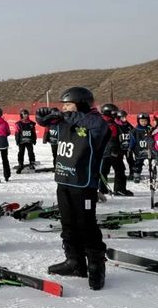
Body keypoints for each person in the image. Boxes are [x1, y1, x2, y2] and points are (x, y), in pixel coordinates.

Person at [36, 86, 109, 290]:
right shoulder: (65, 120)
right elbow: (47, 123)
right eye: (64, 106)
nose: (64, 108)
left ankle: (96, 266)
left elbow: (97, 125)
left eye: (68, 104)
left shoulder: (96, 123)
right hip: (64, 180)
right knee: (68, 224)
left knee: (86, 226)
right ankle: (74, 261)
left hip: (83, 184)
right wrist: (42, 118)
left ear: (81, 104)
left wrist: (66, 116)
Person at [99, 104, 132, 196]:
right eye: (114, 113)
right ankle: (119, 189)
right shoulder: (111, 124)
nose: (115, 115)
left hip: (103, 151)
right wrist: (115, 149)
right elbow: (112, 137)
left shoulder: (101, 121)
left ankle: (102, 189)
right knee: (120, 170)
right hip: (112, 151)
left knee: (103, 171)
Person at [128, 113, 151, 183]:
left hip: (149, 150)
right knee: (138, 163)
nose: (144, 123)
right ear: (138, 121)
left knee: (152, 162)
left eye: (145, 121)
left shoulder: (150, 129)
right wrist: (130, 148)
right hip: (139, 150)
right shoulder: (135, 131)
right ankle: (137, 175)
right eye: (142, 121)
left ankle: (153, 174)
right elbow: (132, 141)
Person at [14, 109, 37, 173]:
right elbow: (17, 133)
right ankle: (20, 164)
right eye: (24, 114)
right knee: (21, 152)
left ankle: (32, 163)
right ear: (21, 115)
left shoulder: (32, 124)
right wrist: (17, 140)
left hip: (29, 141)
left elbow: (33, 132)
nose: (25, 115)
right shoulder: (18, 124)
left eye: (26, 114)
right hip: (22, 141)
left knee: (31, 152)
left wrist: (34, 139)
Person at [116, 110, 135, 180]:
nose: (124, 118)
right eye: (122, 117)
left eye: (125, 117)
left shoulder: (128, 125)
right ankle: (121, 174)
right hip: (120, 147)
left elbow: (133, 132)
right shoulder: (116, 125)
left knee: (130, 160)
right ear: (118, 117)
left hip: (128, 147)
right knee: (119, 162)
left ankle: (132, 173)